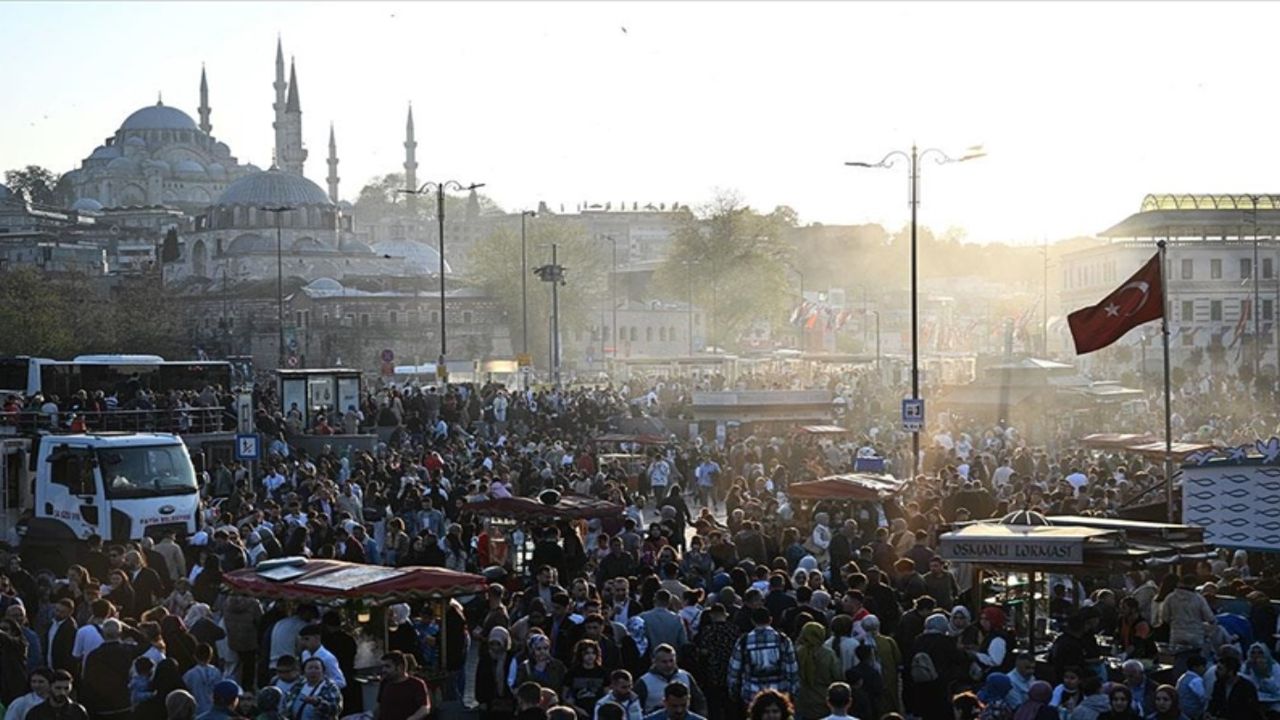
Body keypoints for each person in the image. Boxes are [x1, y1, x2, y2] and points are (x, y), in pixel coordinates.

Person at [727, 608, 798, 708]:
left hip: (751, 695)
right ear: (770, 620)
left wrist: (733, 691)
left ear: (752, 621)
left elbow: (734, 670)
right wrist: (792, 692)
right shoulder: (783, 640)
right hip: (779, 693)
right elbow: (792, 669)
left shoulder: (743, 641)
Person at [633, 645, 705, 716]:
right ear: (654, 661)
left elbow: (699, 701)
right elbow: (634, 707)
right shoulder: (644, 681)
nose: (669, 665)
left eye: (671, 661)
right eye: (664, 662)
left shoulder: (685, 676)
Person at [794, 623, 842, 720]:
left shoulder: (798, 653)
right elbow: (838, 676)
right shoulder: (828, 654)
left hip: (804, 699)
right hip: (823, 698)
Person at [860, 615, 901, 717]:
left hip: (869, 680)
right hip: (889, 679)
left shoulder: (861, 642)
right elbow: (898, 659)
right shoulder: (888, 641)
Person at [372, 652, 428, 720]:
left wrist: (412, 718)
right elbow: (380, 706)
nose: (383, 670)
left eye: (387, 666)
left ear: (400, 667)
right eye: (383, 667)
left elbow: (425, 708)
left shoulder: (416, 684)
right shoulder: (385, 683)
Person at [476, 627, 516, 720]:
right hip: (490, 701)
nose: (495, 647)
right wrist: (481, 700)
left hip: (508, 701)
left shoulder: (511, 659)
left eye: (498, 644)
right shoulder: (485, 659)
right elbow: (479, 680)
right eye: (492, 644)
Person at [1206, 655, 1262, 720]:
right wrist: (1209, 712)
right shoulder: (1218, 684)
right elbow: (1214, 702)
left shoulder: (1246, 687)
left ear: (1230, 671)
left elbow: (1250, 712)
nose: (1216, 672)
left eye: (1220, 669)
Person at [565, 639, 610, 720]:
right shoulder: (572, 673)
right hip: (578, 711)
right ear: (580, 654)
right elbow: (565, 695)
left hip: (597, 711)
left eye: (593, 653)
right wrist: (576, 708)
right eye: (587, 653)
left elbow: (607, 694)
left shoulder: (602, 672)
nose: (590, 656)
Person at [298, 625, 346, 690]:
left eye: (306, 639)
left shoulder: (328, 658)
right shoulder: (305, 654)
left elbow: (341, 682)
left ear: (317, 638)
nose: (303, 643)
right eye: (301, 639)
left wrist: (321, 685)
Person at [183, 644, 223, 716]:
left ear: (195, 656)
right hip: (213, 709)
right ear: (211, 656)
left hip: (197, 710)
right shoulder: (217, 672)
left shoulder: (190, 674)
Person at [1174, 655, 1206, 720]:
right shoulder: (1196, 680)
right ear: (1195, 667)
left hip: (1181, 712)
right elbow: (1204, 698)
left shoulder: (1182, 677)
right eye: (1202, 666)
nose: (1204, 669)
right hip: (1192, 714)